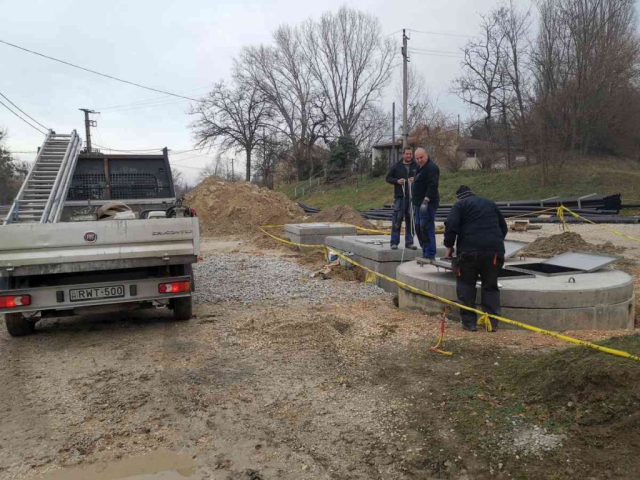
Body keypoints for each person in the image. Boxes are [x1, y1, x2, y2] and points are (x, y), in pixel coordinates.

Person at [443, 185, 508, 331]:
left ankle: (469, 323)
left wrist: (449, 247)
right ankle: (492, 323)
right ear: (473, 194)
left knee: (466, 285)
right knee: (490, 286)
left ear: (458, 198)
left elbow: (451, 226)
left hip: (469, 252)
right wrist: (493, 243)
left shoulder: (459, 205)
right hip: (494, 253)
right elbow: (503, 228)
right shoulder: (490, 204)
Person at [385, 147, 418, 250]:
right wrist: (397, 181)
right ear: (403, 154)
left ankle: (409, 242)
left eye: (410, 154)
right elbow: (388, 178)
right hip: (400, 196)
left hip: (412, 196)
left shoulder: (416, 166)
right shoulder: (396, 166)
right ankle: (394, 242)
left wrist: (415, 179)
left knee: (410, 219)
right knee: (397, 219)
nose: (408, 156)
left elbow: (422, 177)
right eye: (407, 154)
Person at [411, 148, 440, 259]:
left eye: (421, 157)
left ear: (426, 155)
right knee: (419, 228)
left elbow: (433, 185)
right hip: (417, 203)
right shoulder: (419, 168)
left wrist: (426, 200)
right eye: (417, 158)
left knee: (426, 228)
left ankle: (430, 253)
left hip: (427, 204)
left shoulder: (431, 168)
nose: (419, 160)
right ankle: (424, 250)